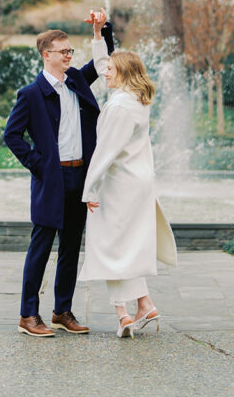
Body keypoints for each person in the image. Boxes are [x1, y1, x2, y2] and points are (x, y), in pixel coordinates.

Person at [3, 10, 115, 337]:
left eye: (71, 51)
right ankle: (28, 315)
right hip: (50, 181)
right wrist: (39, 165)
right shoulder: (31, 94)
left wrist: (101, 30)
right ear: (46, 55)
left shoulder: (77, 80)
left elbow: (104, 61)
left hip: (80, 178)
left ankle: (61, 311)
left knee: (70, 248)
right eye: (64, 51)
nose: (69, 55)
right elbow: (12, 136)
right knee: (40, 248)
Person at [78, 36, 178, 339]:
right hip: (137, 183)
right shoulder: (135, 99)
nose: (105, 72)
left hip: (120, 186)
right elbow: (101, 64)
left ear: (123, 73)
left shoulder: (119, 107)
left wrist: (89, 189)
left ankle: (124, 313)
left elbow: (105, 152)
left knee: (110, 248)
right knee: (123, 248)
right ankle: (141, 306)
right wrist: (98, 38)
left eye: (111, 70)